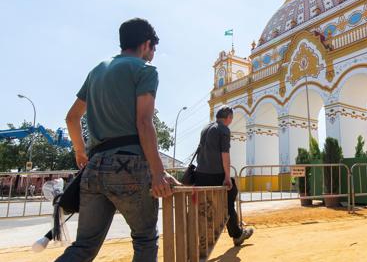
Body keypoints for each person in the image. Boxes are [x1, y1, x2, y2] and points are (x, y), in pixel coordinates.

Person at [56, 18, 178, 262]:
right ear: (146, 44)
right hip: (129, 166)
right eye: (153, 49)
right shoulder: (144, 70)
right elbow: (144, 123)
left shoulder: (97, 71)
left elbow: (72, 118)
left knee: (84, 247)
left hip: (94, 166)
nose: (152, 55)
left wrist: (80, 152)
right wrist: (158, 173)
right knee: (145, 240)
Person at [195, 106, 253, 246]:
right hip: (215, 175)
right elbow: (225, 155)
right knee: (229, 198)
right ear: (228, 117)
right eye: (231, 118)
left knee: (205, 205)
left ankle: (202, 237)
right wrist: (227, 176)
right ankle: (237, 234)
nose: (231, 121)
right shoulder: (224, 129)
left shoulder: (206, 128)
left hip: (200, 174)